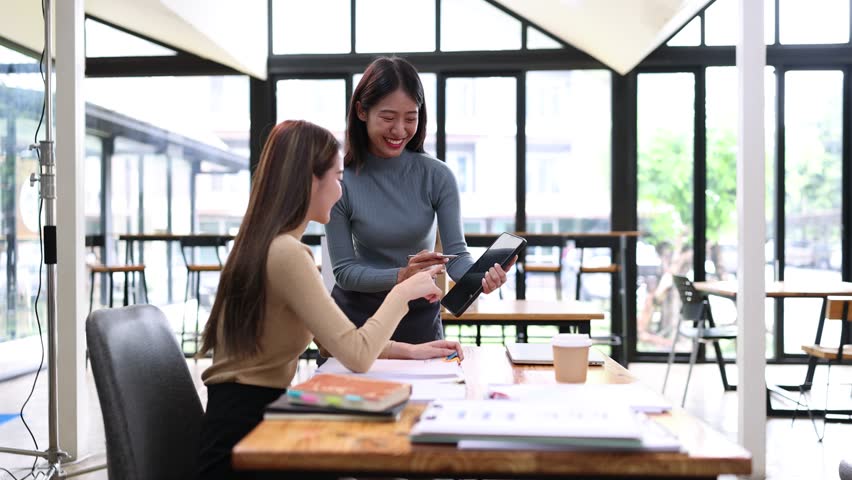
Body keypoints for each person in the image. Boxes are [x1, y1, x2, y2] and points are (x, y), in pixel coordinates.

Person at [195, 120, 463, 480]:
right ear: (309, 180)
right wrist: (403, 289)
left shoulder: (269, 244)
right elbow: (356, 354)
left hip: (250, 422)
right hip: (246, 444)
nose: (340, 191)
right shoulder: (287, 253)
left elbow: (332, 341)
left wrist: (411, 351)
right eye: (336, 177)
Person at [326, 56, 514, 344]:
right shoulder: (341, 180)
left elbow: (456, 256)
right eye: (388, 118)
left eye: (410, 118)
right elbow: (344, 273)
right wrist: (402, 275)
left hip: (418, 317)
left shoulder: (437, 176)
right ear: (362, 111)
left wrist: (480, 279)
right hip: (358, 319)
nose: (399, 130)